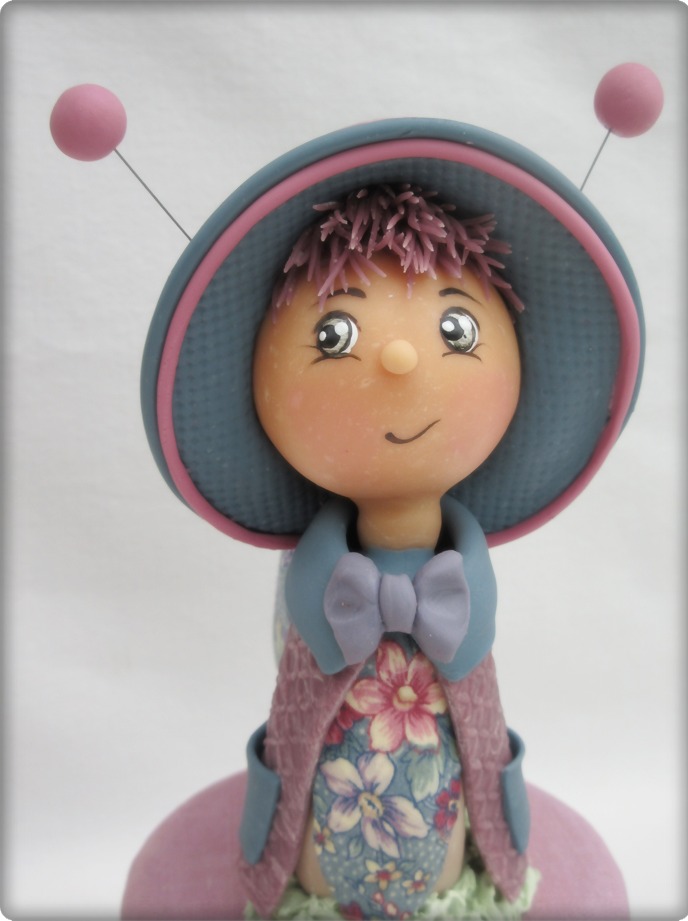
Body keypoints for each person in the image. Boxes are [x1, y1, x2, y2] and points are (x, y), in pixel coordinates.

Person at [141, 118, 644, 919]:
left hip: (444, 812)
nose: (400, 359)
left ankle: (461, 879)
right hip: (322, 821)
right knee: (307, 794)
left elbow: (471, 642)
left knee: (461, 781)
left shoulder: (462, 583)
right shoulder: (312, 581)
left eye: (455, 329)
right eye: (333, 333)